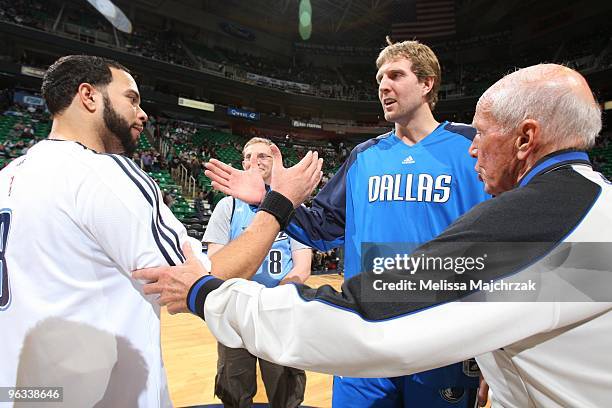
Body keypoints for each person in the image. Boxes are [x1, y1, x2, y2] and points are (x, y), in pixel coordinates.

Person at [137, 63, 612, 407]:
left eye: (484, 134)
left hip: (415, 322)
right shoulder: (589, 215)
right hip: (422, 316)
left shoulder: (535, 221)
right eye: (378, 77)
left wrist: (207, 294)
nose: (475, 150)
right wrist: (502, 359)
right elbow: (526, 296)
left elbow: (392, 308)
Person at [0, 54, 323, 407]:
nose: (143, 114)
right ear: (89, 96)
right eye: (132, 99)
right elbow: (200, 277)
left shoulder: (10, 175)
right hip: (101, 395)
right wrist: (279, 203)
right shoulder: (103, 173)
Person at [213, 39, 492, 407]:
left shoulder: (471, 146)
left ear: (427, 84)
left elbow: (500, 246)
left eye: (395, 75)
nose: (383, 86)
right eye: (379, 78)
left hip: (443, 336)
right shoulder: (364, 157)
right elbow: (320, 229)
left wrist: (496, 344)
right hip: (364, 334)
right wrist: (266, 198)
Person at [204, 137, 311, 408]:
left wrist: (274, 302)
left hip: (277, 314)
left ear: (276, 162)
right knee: (234, 390)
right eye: (248, 156)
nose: (255, 161)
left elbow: (302, 266)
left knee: (286, 393)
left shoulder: (293, 206)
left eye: (263, 155)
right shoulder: (226, 207)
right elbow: (216, 263)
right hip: (236, 313)